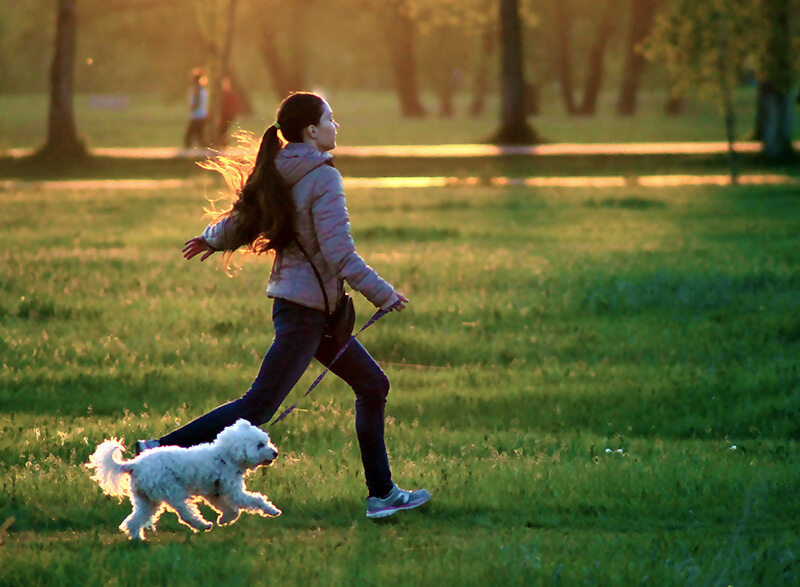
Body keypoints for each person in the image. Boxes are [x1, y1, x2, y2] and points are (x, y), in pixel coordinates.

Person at [138, 92, 430, 520]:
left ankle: (382, 495)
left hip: (313, 313)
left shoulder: (277, 170)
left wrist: (212, 238)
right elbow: (339, 253)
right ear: (311, 130)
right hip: (305, 314)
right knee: (258, 406)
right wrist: (383, 294)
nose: (336, 125)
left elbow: (244, 220)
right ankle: (157, 450)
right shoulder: (322, 177)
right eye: (330, 118)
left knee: (373, 386)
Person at [183, 68, 209, 148]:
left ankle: (187, 150)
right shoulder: (202, 89)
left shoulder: (196, 89)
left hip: (197, 115)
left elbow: (196, 102)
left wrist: (192, 108)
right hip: (202, 115)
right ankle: (203, 149)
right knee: (199, 134)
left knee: (189, 134)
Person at [217, 76, 241, 146]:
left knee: (223, 129)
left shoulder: (230, 95)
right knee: (222, 130)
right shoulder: (223, 94)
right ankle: (223, 143)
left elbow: (234, 105)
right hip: (225, 115)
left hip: (228, 115)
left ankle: (224, 143)